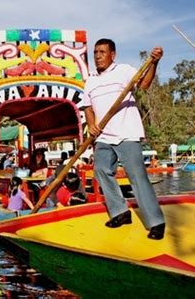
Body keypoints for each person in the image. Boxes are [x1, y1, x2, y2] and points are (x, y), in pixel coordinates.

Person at [83, 38, 165, 240]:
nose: (98, 56)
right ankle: (120, 212)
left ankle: (156, 222)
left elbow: (144, 85)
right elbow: (87, 108)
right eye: (95, 52)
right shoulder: (91, 80)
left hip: (127, 132)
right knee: (101, 170)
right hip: (103, 136)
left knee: (137, 176)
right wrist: (92, 124)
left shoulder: (124, 71)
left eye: (102, 52)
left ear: (113, 54)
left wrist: (153, 62)